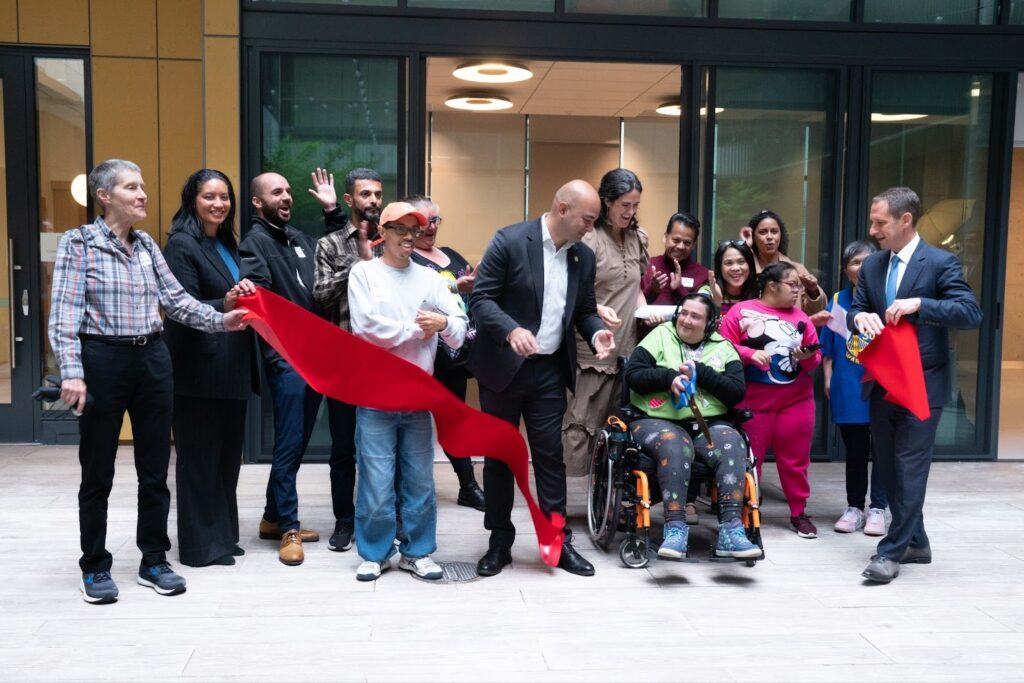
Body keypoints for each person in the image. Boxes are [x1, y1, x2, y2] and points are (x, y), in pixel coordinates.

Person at [48, 159, 250, 604]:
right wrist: (73, 372)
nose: (142, 195)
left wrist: (222, 319)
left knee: (155, 469)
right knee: (98, 469)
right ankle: (95, 566)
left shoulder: (145, 246)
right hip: (102, 359)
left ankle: (154, 559)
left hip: (154, 359)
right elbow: (63, 315)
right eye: (131, 187)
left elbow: (177, 303)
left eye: (142, 187)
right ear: (105, 196)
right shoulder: (79, 243)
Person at [469, 180, 615, 578]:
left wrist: (596, 329)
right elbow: (480, 299)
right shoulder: (511, 240)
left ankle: (557, 542)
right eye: (587, 219)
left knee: (551, 456)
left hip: (549, 370)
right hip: (503, 369)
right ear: (563, 208)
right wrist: (510, 330)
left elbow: (584, 309)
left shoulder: (582, 257)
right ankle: (499, 542)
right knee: (500, 457)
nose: (591, 227)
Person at [851, 187, 981, 584]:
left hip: (923, 383)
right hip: (882, 381)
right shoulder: (872, 266)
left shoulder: (941, 262)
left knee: (910, 469)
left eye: (880, 222)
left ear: (905, 220)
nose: (873, 230)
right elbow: (857, 308)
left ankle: (891, 552)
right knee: (888, 471)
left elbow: (969, 312)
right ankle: (917, 542)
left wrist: (920, 305)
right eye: (873, 222)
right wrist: (860, 320)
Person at [347, 201, 468, 582]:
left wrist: (444, 321)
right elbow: (367, 329)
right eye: (399, 229)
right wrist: (419, 329)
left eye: (414, 230)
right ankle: (375, 553)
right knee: (376, 478)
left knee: (419, 478)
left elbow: (459, 326)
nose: (408, 236)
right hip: (376, 393)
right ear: (383, 234)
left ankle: (417, 553)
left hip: (418, 394)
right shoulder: (363, 273)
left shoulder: (432, 279)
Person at [163, 169, 259, 568]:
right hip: (197, 370)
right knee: (198, 462)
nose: (219, 204)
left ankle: (223, 537)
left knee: (224, 460)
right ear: (192, 200)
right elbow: (183, 305)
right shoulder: (181, 245)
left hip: (230, 366)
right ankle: (200, 547)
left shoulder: (225, 243)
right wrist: (227, 301)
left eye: (224, 197)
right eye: (209, 197)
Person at [623, 293, 761, 560]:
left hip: (707, 424)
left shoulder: (724, 348)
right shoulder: (660, 335)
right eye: (683, 313)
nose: (685, 320)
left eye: (695, 316)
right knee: (676, 445)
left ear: (710, 324)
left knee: (733, 444)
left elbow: (736, 393)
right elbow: (633, 375)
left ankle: (731, 531)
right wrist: (669, 377)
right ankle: (675, 528)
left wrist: (702, 372)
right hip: (655, 420)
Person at [239, 171, 324, 567]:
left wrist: (331, 210)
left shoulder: (300, 239)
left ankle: (273, 518)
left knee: (299, 442)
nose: (286, 197)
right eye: (277, 192)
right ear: (258, 202)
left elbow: (331, 266)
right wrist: (282, 355)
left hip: (316, 361)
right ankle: (289, 526)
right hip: (287, 362)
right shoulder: (254, 243)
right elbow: (261, 306)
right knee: (289, 445)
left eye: (288, 191)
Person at [311, 167, 385, 553]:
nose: (373, 200)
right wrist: (359, 261)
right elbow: (321, 295)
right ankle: (345, 519)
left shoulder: (394, 243)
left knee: (384, 446)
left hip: (384, 363)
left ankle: (383, 517)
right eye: (365, 194)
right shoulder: (329, 245)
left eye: (377, 194)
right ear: (349, 200)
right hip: (343, 362)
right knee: (343, 447)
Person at [719, 261, 821, 538]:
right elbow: (722, 348)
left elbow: (815, 362)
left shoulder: (801, 317)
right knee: (750, 462)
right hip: (752, 403)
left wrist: (807, 356)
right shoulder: (741, 311)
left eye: (799, 285)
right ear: (772, 286)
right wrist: (749, 354)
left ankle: (799, 512)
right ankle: (747, 510)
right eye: (793, 284)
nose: (798, 290)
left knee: (796, 461)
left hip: (796, 401)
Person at [562, 169, 649, 478]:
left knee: (614, 424)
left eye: (636, 205)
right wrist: (597, 308)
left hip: (626, 343)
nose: (631, 212)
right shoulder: (588, 238)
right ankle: (567, 499)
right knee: (581, 421)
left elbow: (634, 286)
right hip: (591, 347)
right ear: (607, 202)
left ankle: (601, 498)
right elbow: (569, 290)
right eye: (625, 205)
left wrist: (646, 309)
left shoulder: (638, 237)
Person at [408, 194, 486, 510]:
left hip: (456, 353)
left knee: (453, 419)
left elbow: (467, 296)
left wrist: (476, 283)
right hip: (420, 351)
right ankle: (410, 492)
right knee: (411, 423)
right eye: (424, 222)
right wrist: (457, 288)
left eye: (436, 220)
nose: (431, 228)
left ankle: (468, 485)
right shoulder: (404, 257)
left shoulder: (450, 255)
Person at [822, 240, 888, 536]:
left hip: (884, 385)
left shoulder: (889, 298)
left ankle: (878, 508)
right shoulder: (838, 300)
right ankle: (854, 507)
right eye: (855, 262)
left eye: (868, 261)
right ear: (846, 269)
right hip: (848, 384)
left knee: (885, 450)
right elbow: (828, 348)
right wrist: (827, 377)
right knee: (856, 451)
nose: (862, 268)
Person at [744, 209, 827, 317]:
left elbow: (817, 312)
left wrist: (813, 291)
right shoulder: (745, 269)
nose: (769, 237)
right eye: (763, 232)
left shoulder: (797, 270)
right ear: (753, 237)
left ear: (780, 235)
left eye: (774, 232)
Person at [641, 212, 711, 305]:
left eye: (687, 243)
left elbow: (702, 311)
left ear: (693, 245)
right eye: (676, 240)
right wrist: (652, 290)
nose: (680, 247)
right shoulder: (647, 266)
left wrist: (679, 289)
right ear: (665, 237)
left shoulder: (703, 274)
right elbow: (633, 307)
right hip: (648, 319)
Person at [709, 239, 758, 318]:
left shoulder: (762, 294)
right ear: (719, 268)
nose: (735, 268)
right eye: (728, 263)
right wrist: (717, 303)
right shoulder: (708, 291)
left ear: (750, 265)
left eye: (741, 262)